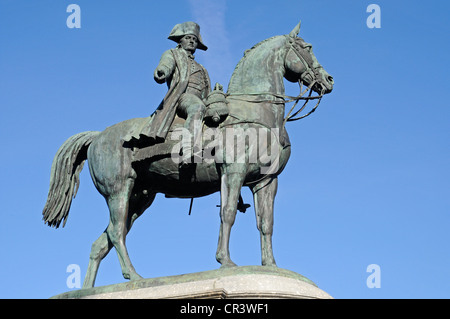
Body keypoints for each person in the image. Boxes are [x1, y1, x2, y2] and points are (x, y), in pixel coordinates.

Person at [143, 21, 211, 166]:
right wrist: (162, 70)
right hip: (183, 97)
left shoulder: (202, 68)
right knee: (197, 108)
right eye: (188, 38)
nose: (192, 41)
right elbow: (166, 64)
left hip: (201, 99)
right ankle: (187, 150)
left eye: (194, 39)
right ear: (180, 40)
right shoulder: (173, 54)